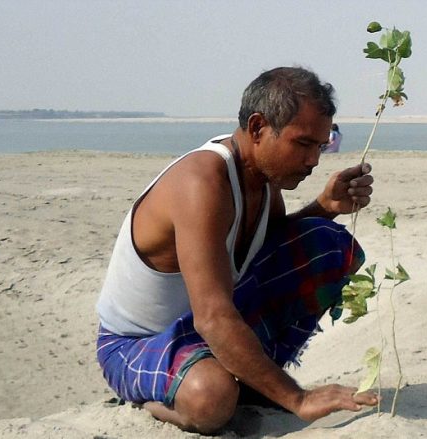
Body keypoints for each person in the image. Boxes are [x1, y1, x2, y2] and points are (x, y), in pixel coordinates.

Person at [95, 66, 377, 434]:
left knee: (327, 244)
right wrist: (297, 399)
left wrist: (324, 207)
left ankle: (249, 382)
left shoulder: (261, 179)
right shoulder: (203, 182)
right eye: (303, 144)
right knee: (211, 397)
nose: (314, 161)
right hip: (136, 344)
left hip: (199, 334)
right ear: (259, 128)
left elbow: (267, 253)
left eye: (321, 146)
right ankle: (157, 401)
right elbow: (212, 317)